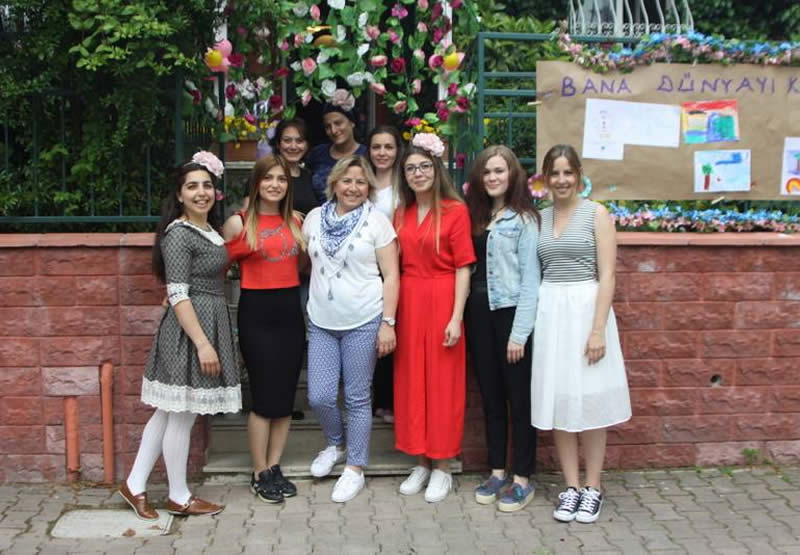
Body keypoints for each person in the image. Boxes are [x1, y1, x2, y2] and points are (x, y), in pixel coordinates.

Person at [119, 151, 240, 520]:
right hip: (189, 330)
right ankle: (178, 495)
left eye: (206, 185)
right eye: (192, 187)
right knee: (182, 413)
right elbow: (178, 293)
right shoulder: (178, 234)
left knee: (170, 411)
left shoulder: (208, 231)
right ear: (179, 195)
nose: (201, 192)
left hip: (207, 318)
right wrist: (203, 343)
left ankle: (135, 485)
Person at [532, 144, 631, 524]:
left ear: (578, 176)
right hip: (551, 313)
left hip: (586, 311)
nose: (561, 180)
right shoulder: (540, 218)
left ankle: (593, 487)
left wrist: (597, 330)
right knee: (559, 400)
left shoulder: (596, 214)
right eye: (554, 174)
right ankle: (571, 486)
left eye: (567, 173)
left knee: (589, 402)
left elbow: (608, 275)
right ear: (545, 178)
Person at [303, 155, 399, 503]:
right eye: (347, 180)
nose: (353, 188)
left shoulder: (378, 222)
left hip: (364, 318)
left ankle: (355, 468)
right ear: (334, 183)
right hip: (321, 321)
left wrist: (388, 322)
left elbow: (392, 275)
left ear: (368, 187)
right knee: (320, 395)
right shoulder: (314, 218)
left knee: (358, 397)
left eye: (360, 182)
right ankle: (335, 443)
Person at [393, 133, 476, 503]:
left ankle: (443, 465)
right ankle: (421, 461)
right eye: (411, 168)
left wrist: (456, 317)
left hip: (443, 298)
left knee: (443, 384)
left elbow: (463, 267)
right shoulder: (401, 213)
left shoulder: (455, 210)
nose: (418, 173)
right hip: (409, 300)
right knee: (411, 381)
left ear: (436, 169)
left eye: (424, 166)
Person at [223, 154, 306, 505]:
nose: (275, 184)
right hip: (256, 312)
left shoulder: (297, 220)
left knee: (285, 397)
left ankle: (274, 466)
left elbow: (304, 265)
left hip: (290, 311)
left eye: (281, 179)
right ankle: (258, 471)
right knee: (263, 396)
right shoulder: (238, 222)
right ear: (256, 183)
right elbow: (216, 268)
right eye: (268, 178)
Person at [464, 145, 541, 512]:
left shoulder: (525, 220)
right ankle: (497, 471)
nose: (492, 177)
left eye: (499, 171)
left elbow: (531, 280)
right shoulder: (477, 217)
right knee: (491, 397)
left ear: (512, 175)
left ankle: (522, 477)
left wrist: (519, 333)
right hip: (478, 314)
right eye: (487, 172)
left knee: (519, 399)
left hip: (510, 314)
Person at [366, 125, 404, 425]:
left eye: (388, 147)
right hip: (367, 268)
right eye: (376, 147)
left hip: (398, 266)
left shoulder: (404, 185)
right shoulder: (362, 182)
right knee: (369, 335)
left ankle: (390, 400)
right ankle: (373, 399)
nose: (382, 153)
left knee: (392, 332)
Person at [307, 89, 367, 203]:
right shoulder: (317, 154)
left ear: (352, 122)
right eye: (328, 126)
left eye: (338, 123)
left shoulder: (367, 155)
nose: (333, 130)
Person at [271, 118, 319, 216]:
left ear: (307, 145)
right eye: (287, 140)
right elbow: (249, 214)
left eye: (299, 141)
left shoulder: (310, 177)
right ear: (278, 144)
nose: (293, 146)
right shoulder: (265, 175)